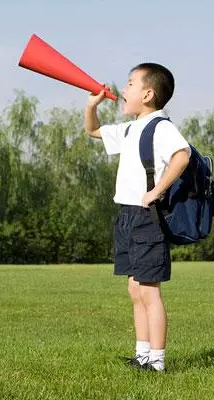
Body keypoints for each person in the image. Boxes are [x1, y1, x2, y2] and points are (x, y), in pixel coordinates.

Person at [84, 62, 191, 372]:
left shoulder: (161, 126)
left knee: (149, 290)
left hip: (147, 216)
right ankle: (142, 354)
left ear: (148, 93)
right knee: (134, 288)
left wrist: (156, 190)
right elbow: (92, 130)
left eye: (130, 83)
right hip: (127, 215)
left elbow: (181, 156)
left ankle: (156, 361)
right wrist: (93, 105)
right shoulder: (131, 128)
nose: (124, 88)